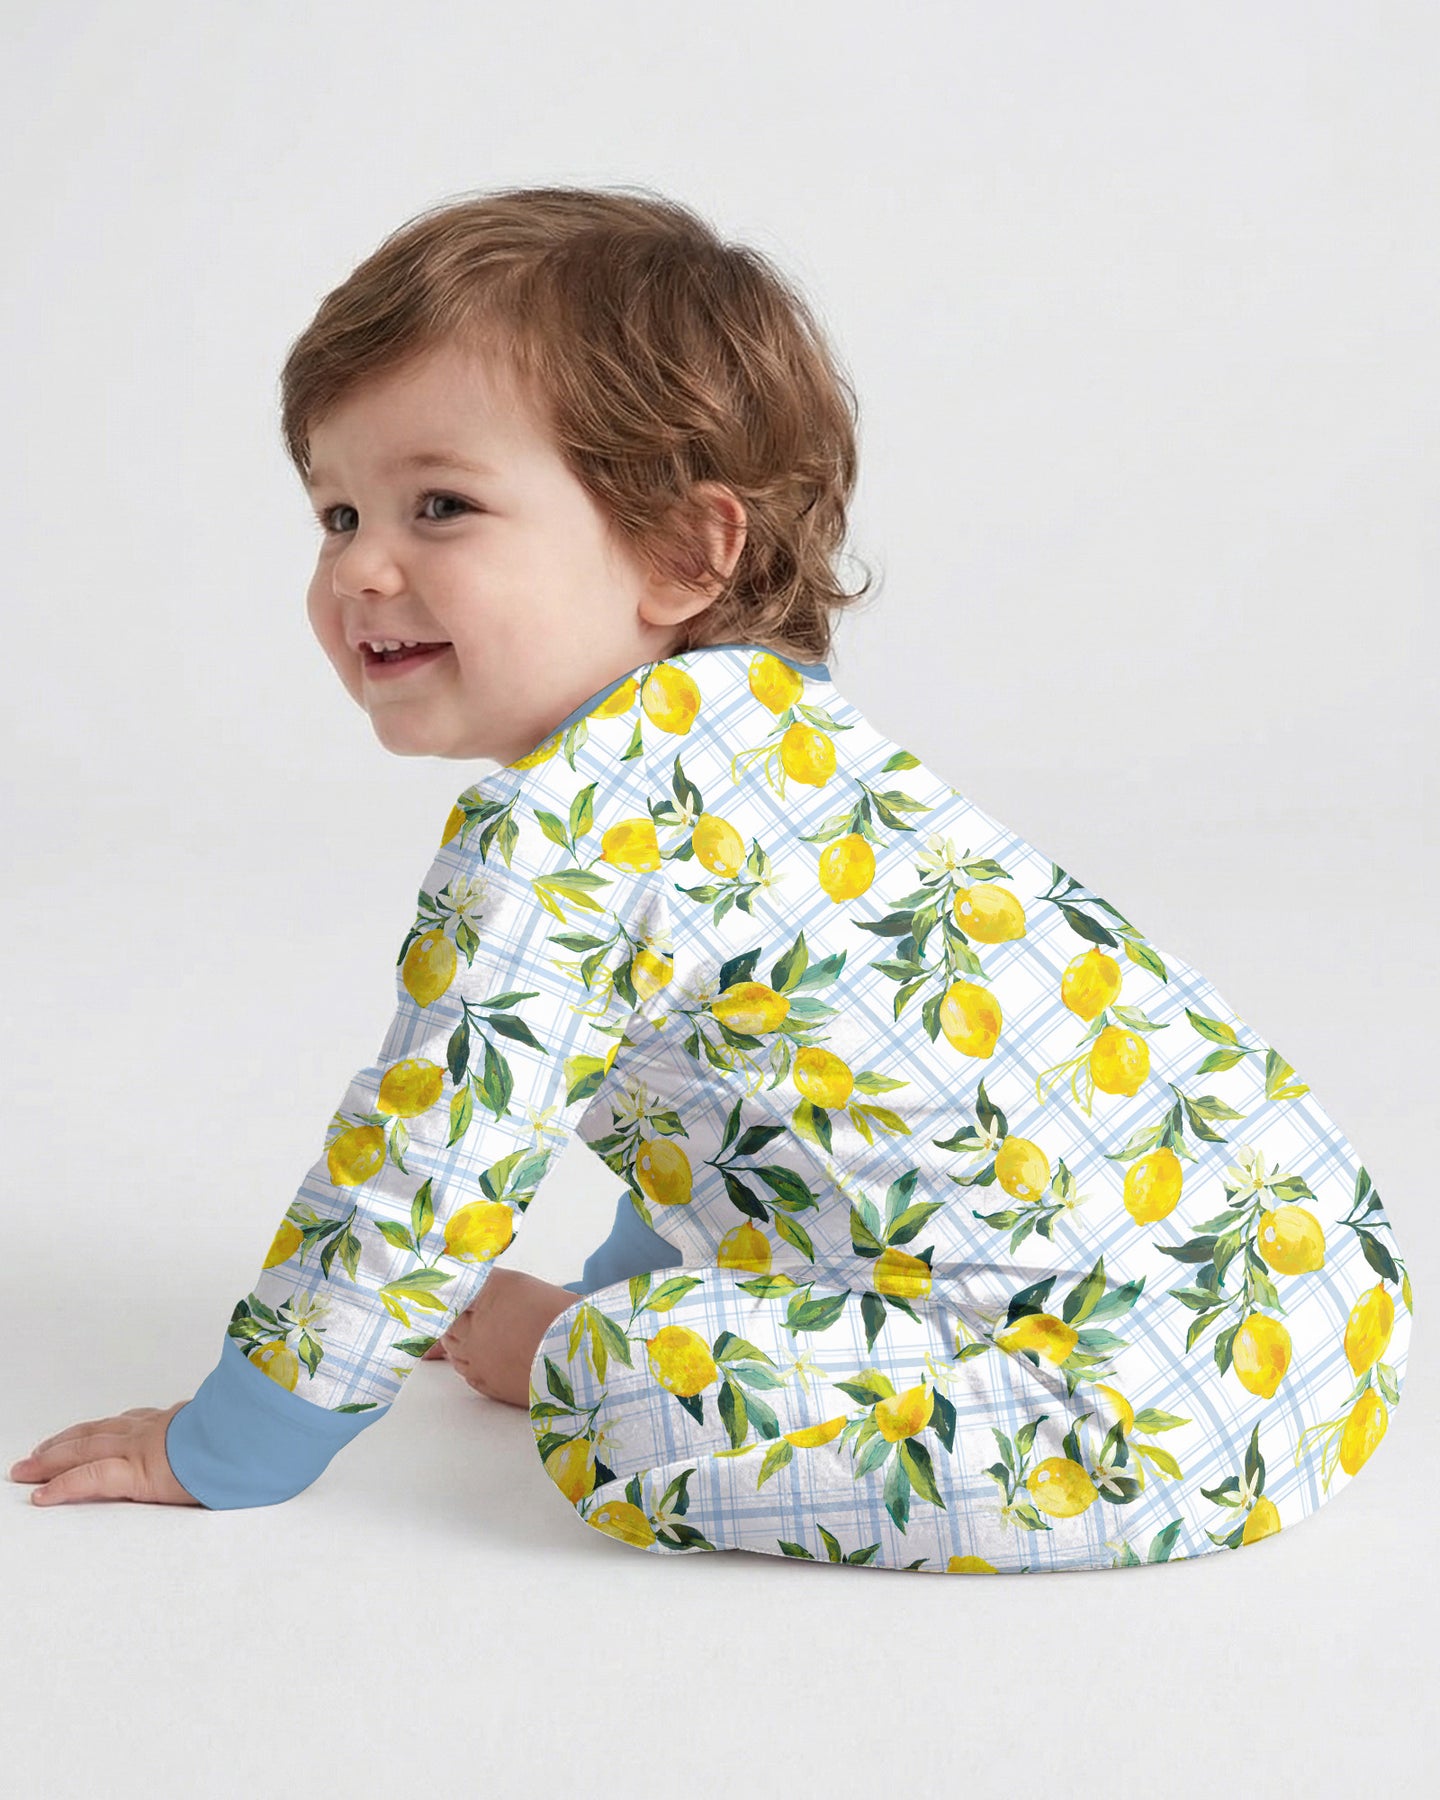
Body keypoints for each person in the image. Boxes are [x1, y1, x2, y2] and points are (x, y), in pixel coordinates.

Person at [9, 186, 1413, 1574]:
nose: (361, 571)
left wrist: (236, 1441)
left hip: (1109, 1427)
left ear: (685, 551)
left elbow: (423, 1167)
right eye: (334, 514)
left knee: (611, 1397)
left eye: (439, 506)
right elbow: (747, 1110)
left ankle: (578, 1354)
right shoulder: (787, 741)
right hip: (1320, 1319)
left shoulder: (558, 834)